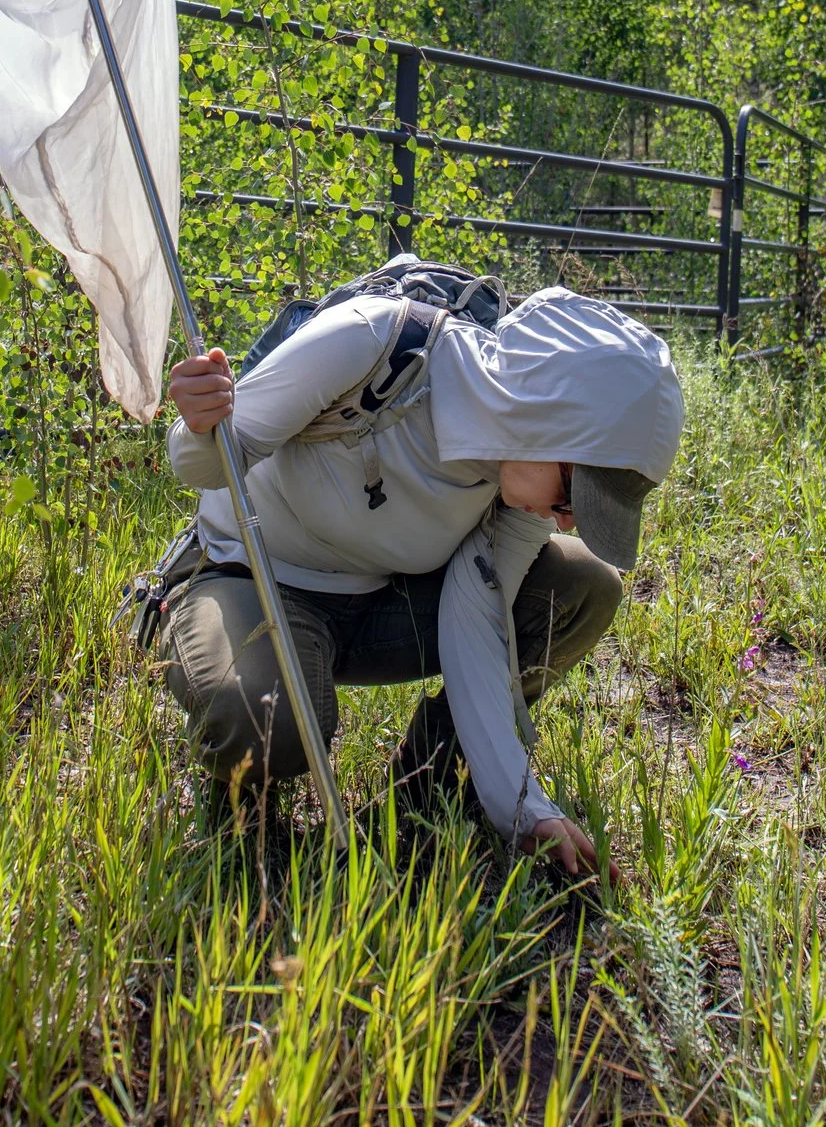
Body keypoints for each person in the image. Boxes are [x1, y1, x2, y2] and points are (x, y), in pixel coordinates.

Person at [153, 278, 685, 875]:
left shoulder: (516, 489)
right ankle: (241, 810)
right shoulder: (372, 340)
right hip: (255, 582)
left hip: (380, 603)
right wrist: (200, 422)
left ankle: (432, 783)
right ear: (549, 414)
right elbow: (202, 463)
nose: (567, 519)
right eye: (573, 495)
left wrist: (523, 809)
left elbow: (476, 622)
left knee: (584, 586)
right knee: (267, 723)